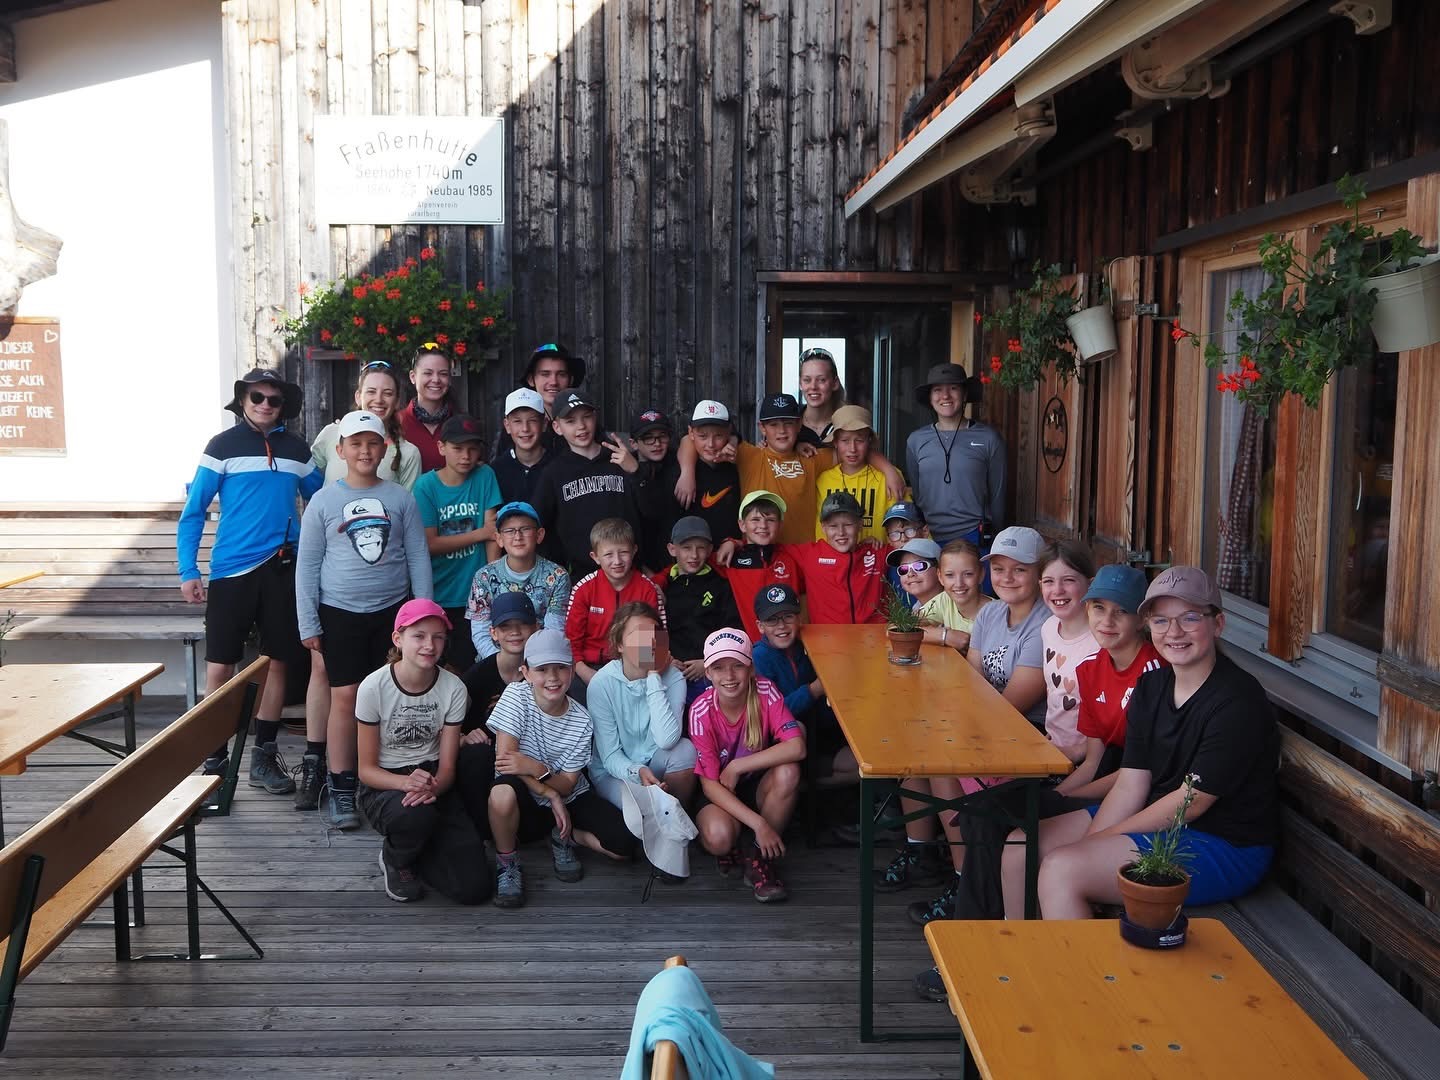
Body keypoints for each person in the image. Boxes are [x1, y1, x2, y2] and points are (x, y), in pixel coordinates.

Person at [999, 567, 1280, 921]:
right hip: (1157, 817)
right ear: (1148, 625)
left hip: (1223, 844)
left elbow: (1191, 804)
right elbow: (1131, 782)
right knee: (1020, 847)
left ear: (1217, 624)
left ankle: (1071, 959)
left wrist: (1098, 842)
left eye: (1190, 618)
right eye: (1161, 620)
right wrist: (1096, 839)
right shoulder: (1152, 687)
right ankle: (1022, 949)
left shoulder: (1237, 701)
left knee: (1063, 869)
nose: (1174, 632)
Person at [178, 368, 322, 796]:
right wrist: (189, 570)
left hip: (282, 568)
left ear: (283, 406)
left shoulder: (297, 449)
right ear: (242, 400)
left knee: (277, 662)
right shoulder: (220, 447)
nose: (264, 405)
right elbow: (194, 512)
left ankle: (263, 755)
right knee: (220, 665)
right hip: (231, 571)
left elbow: (322, 500)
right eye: (256, 396)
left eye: (273, 399)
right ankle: (214, 756)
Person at [903, 526, 1048, 929]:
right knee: (925, 748)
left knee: (945, 759)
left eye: (1019, 569)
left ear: (1039, 573)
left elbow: (1011, 707)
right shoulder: (990, 614)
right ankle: (959, 876)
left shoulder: (1043, 625)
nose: (1007, 578)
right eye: (999, 568)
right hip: (989, 724)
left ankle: (967, 887)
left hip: (1029, 736)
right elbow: (972, 682)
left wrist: (956, 726)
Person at [296, 409, 434, 830]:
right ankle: (341, 785)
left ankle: (381, 780)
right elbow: (307, 565)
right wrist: (308, 622)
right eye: (355, 443)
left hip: (393, 612)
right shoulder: (323, 501)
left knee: (388, 696)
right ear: (340, 450)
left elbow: (417, 556)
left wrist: (423, 614)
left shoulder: (400, 498)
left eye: (372, 443)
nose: (364, 451)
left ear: (384, 448)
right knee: (345, 697)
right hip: (339, 612)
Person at [485, 629, 636, 909]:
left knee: (623, 846)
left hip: (568, 794)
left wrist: (537, 769)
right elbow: (506, 761)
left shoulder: (582, 720)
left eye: (560, 668)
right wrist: (548, 792)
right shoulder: (516, 696)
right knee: (501, 793)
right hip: (524, 793)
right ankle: (507, 862)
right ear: (526, 673)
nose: (552, 677)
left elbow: (567, 784)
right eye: (542, 669)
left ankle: (564, 835)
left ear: (572, 671)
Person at [355, 600, 488, 904]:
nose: (430, 645)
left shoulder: (453, 688)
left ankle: (428, 845)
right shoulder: (373, 687)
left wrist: (432, 788)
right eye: (419, 636)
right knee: (415, 815)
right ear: (398, 639)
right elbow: (366, 770)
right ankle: (395, 858)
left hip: (433, 779)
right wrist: (406, 784)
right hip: (387, 783)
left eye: (438, 637)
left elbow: (448, 768)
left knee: (473, 889)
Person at [677, 392, 902, 547]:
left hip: (805, 557)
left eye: (788, 423)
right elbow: (690, 439)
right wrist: (687, 473)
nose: (782, 431)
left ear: (799, 425)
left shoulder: (812, 458)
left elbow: (851, 450)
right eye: (774, 425)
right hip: (762, 556)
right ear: (762, 428)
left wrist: (888, 469)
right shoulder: (749, 455)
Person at [690, 628, 806, 903]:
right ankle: (739, 839)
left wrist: (737, 766)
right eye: (719, 668)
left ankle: (759, 859)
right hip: (720, 790)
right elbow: (710, 785)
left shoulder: (765, 690)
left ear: (751, 668)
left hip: (754, 782)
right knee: (719, 838)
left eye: (737, 666)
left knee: (789, 771)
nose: (729, 676)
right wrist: (760, 824)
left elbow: (797, 747)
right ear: (708, 673)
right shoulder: (700, 710)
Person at [1057, 564, 1164, 802]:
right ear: (1087, 609)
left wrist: (1063, 802)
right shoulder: (1088, 670)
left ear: (1141, 620)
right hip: (1111, 778)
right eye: (1099, 607)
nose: (1107, 621)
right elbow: (1094, 762)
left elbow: (1142, 771)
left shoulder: (1157, 673)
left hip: (1149, 790)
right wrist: (1055, 797)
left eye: (1121, 611)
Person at [586, 602, 698, 816]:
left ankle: (678, 818)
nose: (650, 642)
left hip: (655, 761)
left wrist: (654, 676)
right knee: (643, 808)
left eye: (655, 634)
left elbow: (667, 740)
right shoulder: (601, 683)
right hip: (615, 772)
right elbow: (610, 756)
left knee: (685, 751)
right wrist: (637, 771)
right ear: (620, 644)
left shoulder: (674, 677)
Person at [413, 415, 502, 672]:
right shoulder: (425, 486)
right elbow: (429, 544)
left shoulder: (484, 475)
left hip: (475, 594)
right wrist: (479, 534)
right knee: (438, 665)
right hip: (439, 591)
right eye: (458, 448)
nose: (466, 456)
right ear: (441, 448)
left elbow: (492, 535)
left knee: (472, 666)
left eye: (473, 449)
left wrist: (492, 585)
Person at [454, 590, 540, 844]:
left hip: (530, 759)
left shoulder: (546, 673)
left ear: (536, 627)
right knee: (476, 755)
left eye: (522, 624)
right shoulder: (477, 676)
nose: (515, 632)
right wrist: (464, 736)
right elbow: (447, 727)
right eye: (505, 626)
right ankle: (484, 832)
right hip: (487, 762)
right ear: (493, 633)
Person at [530, 390, 643, 578]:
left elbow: (651, 512)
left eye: (586, 417)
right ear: (557, 427)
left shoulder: (621, 459)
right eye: (570, 421)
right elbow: (537, 523)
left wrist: (636, 472)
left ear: (595, 417)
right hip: (581, 576)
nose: (581, 426)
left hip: (627, 569)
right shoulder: (554, 473)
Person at [751, 584, 853, 781]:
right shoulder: (759, 656)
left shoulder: (806, 644)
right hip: (782, 742)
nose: (781, 625)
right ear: (760, 626)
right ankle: (803, 787)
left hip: (819, 738)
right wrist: (813, 690)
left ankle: (814, 787)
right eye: (772, 620)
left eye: (788, 616)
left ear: (799, 619)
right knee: (796, 728)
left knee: (861, 767)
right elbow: (771, 714)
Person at [905, 363, 1005, 546]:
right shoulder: (915, 440)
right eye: (937, 390)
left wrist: (996, 542)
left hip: (974, 536)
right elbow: (918, 495)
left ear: (965, 394)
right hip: (928, 538)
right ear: (930, 397)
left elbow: (998, 497)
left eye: (953, 388)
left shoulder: (989, 438)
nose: (945, 396)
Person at [565, 518, 667, 685]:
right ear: (595, 557)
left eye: (623, 552)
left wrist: (640, 677)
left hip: (636, 669)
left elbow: (657, 641)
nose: (617, 561)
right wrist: (587, 673)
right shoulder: (583, 589)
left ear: (634, 551)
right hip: (590, 668)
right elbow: (571, 641)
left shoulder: (647, 589)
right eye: (608, 554)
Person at [466, 500, 570, 659]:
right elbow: (481, 633)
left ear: (539, 535)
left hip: (541, 660)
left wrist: (531, 665)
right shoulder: (483, 577)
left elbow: (554, 631)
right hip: (495, 660)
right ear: (499, 538)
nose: (517, 536)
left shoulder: (558, 576)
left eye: (525, 529)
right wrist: (502, 664)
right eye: (509, 531)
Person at [661, 516, 742, 702]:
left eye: (701, 548)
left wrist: (708, 662)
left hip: (710, 672)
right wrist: (664, 661)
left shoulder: (721, 585)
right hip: (669, 672)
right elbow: (650, 629)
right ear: (672, 549)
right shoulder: (661, 587)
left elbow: (731, 630)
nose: (694, 555)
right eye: (686, 548)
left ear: (710, 549)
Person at [309, 360, 421, 488]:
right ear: (358, 397)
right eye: (371, 392)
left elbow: (407, 500)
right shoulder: (331, 434)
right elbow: (309, 480)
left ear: (397, 401)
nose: (378, 400)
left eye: (387, 393)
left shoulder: (408, 453)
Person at [1038, 540, 1100, 763]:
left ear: (1090, 584)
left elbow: (1113, 718)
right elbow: (1055, 692)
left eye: (1069, 580)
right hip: (1051, 747)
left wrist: (1077, 751)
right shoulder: (1048, 628)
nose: (1057, 590)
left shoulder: (1102, 641)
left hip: (1086, 759)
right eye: (1048, 581)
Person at [791, 492, 887, 625]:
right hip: (826, 636)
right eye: (833, 526)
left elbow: (910, 550)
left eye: (848, 524)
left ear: (860, 524)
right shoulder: (809, 554)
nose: (841, 532)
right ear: (823, 528)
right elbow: (771, 550)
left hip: (874, 635)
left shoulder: (877, 552)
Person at [723, 491, 805, 642]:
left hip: (789, 643)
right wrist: (731, 542)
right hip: (747, 647)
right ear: (742, 525)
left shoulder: (792, 557)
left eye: (770, 520)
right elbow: (695, 559)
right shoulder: (730, 559)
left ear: (780, 525)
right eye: (755, 519)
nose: (763, 526)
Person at [490, 343, 586, 461]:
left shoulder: (584, 422)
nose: (553, 382)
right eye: (545, 374)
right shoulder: (516, 427)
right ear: (531, 379)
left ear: (570, 380)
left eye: (561, 374)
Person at [813, 406, 888, 544]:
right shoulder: (823, 480)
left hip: (877, 555)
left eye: (859, 440)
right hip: (831, 557)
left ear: (869, 441)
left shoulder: (886, 478)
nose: (852, 449)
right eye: (845, 440)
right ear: (835, 442)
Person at [397, 343, 461, 473]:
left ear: (449, 378)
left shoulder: (461, 424)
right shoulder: (396, 422)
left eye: (443, 374)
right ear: (413, 377)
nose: (436, 379)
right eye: (428, 373)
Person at [629, 407, 680, 572]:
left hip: (676, 560)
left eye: (662, 436)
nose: (657, 444)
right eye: (648, 438)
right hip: (637, 562)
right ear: (634, 443)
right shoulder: (624, 469)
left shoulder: (679, 464)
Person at [490, 388, 557, 506]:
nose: (525, 428)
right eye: (517, 421)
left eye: (532, 420)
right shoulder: (496, 471)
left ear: (544, 424)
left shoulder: (558, 467)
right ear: (507, 425)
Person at [882, 500, 929, 608]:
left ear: (925, 531)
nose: (903, 538)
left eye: (910, 530)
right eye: (895, 534)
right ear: (889, 539)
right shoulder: (889, 566)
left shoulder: (937, 562)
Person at [796, 345, 846, 447]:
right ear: (800, 384)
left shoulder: (848, 422)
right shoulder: (789, 424)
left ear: (835, 383)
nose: (813, 386)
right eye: (807, 380)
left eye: (821, 380)